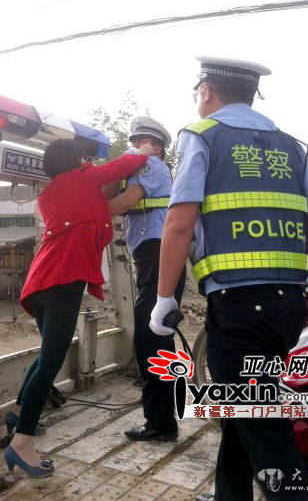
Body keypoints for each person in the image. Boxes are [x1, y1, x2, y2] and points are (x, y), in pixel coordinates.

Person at [150, 56, 308, 501]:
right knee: (244, 412)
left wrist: (164, 299)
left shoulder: (201, 135)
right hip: (289, 307)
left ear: (207, 91)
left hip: (239, 309)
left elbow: (178, 223)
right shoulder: (290, 144)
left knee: (270, 443)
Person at [4, 138, 152, 478]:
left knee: (46, 355)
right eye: (83, 157)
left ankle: (18, 414)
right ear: (74, 160)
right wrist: (142, 152)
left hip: (40, 281)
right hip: (63, 280)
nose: (87, 161)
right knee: (51, 361)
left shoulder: (47, 195)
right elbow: (121, 166)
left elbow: (88, 206)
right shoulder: (83, 179)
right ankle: (21, 442)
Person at [108, 116, 186, 441]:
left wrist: (85, 216)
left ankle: (160, 423)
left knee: (149, 339)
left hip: (158, 257)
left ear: (157, 149)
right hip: (156, 258)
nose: (135, 147)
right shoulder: (144, 167)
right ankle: (164, 418)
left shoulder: (150, 165)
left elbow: (127, 200)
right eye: (134, 141)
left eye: (142, 142)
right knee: (158, 338)